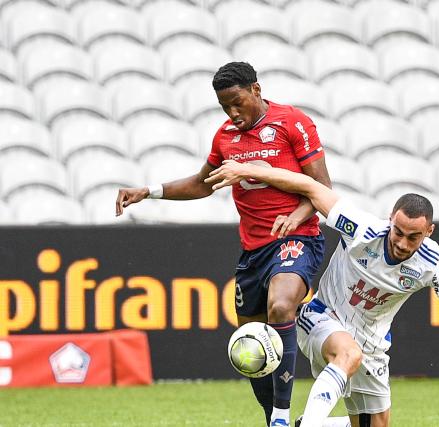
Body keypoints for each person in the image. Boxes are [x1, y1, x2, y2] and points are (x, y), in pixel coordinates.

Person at [205, 160, 439, 427]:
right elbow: (310, 187)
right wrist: (248, 170)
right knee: (348, 354)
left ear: (429, 231)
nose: (402, 243)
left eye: (413, 237)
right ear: (391, 219)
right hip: (321, 318)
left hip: (373, 346)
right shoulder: (361, 229)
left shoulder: (431, 263)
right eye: (398, 232)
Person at [115, 62, 332, 427]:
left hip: (297, 239)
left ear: (256, 90)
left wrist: (296, 216)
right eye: (224, 106)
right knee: (251, 341)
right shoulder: (225, 137)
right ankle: (273, 419)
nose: (232, 112)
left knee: (281, 307)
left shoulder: (293, 123)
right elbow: (203, 183)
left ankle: (282, 417)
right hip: (253, 253)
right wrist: (149, 191)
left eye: (237, 102)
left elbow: (322, 187)